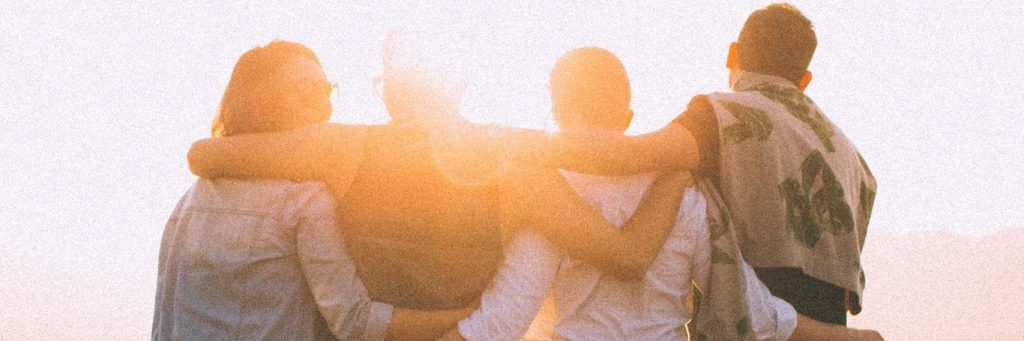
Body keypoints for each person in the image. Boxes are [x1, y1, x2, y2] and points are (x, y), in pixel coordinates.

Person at [185, 32, 690, 333]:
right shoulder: (516, 165)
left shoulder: (341, 148)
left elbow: (206, 154)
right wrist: (678, 168)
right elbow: (628, 256)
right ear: (461, 81)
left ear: (390, 88)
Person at [447, 2, 877, 329]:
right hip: (822, 327)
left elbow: (626, 157)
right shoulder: (853, 157)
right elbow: (846, 288)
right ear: (805, 79)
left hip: (754, 322)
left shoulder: (729, 116)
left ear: (733, 54)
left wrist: (503, 141)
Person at [152, 40, 479, 341]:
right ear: (261, 102)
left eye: (326, 90)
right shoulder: (304, 200)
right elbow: (356, 322)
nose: (325, 107)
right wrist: (472, 315)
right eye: (307, 91)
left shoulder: (190, 200)